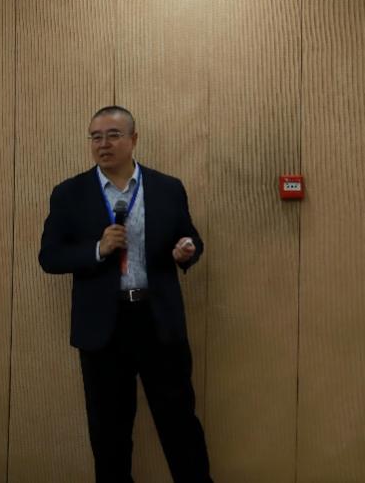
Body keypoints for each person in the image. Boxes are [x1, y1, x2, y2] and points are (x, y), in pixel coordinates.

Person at [39, 105, 212, 483]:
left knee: (179, 423)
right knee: (109, 432)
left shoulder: (167, 187)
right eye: (96, 137)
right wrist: (97, 249)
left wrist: (186, 250)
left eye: (113, 135)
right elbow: (49, 257)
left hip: (158, 321)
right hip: (103, 328)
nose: (103, 144)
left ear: (134, 139)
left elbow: (190, 237)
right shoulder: (69, 193)